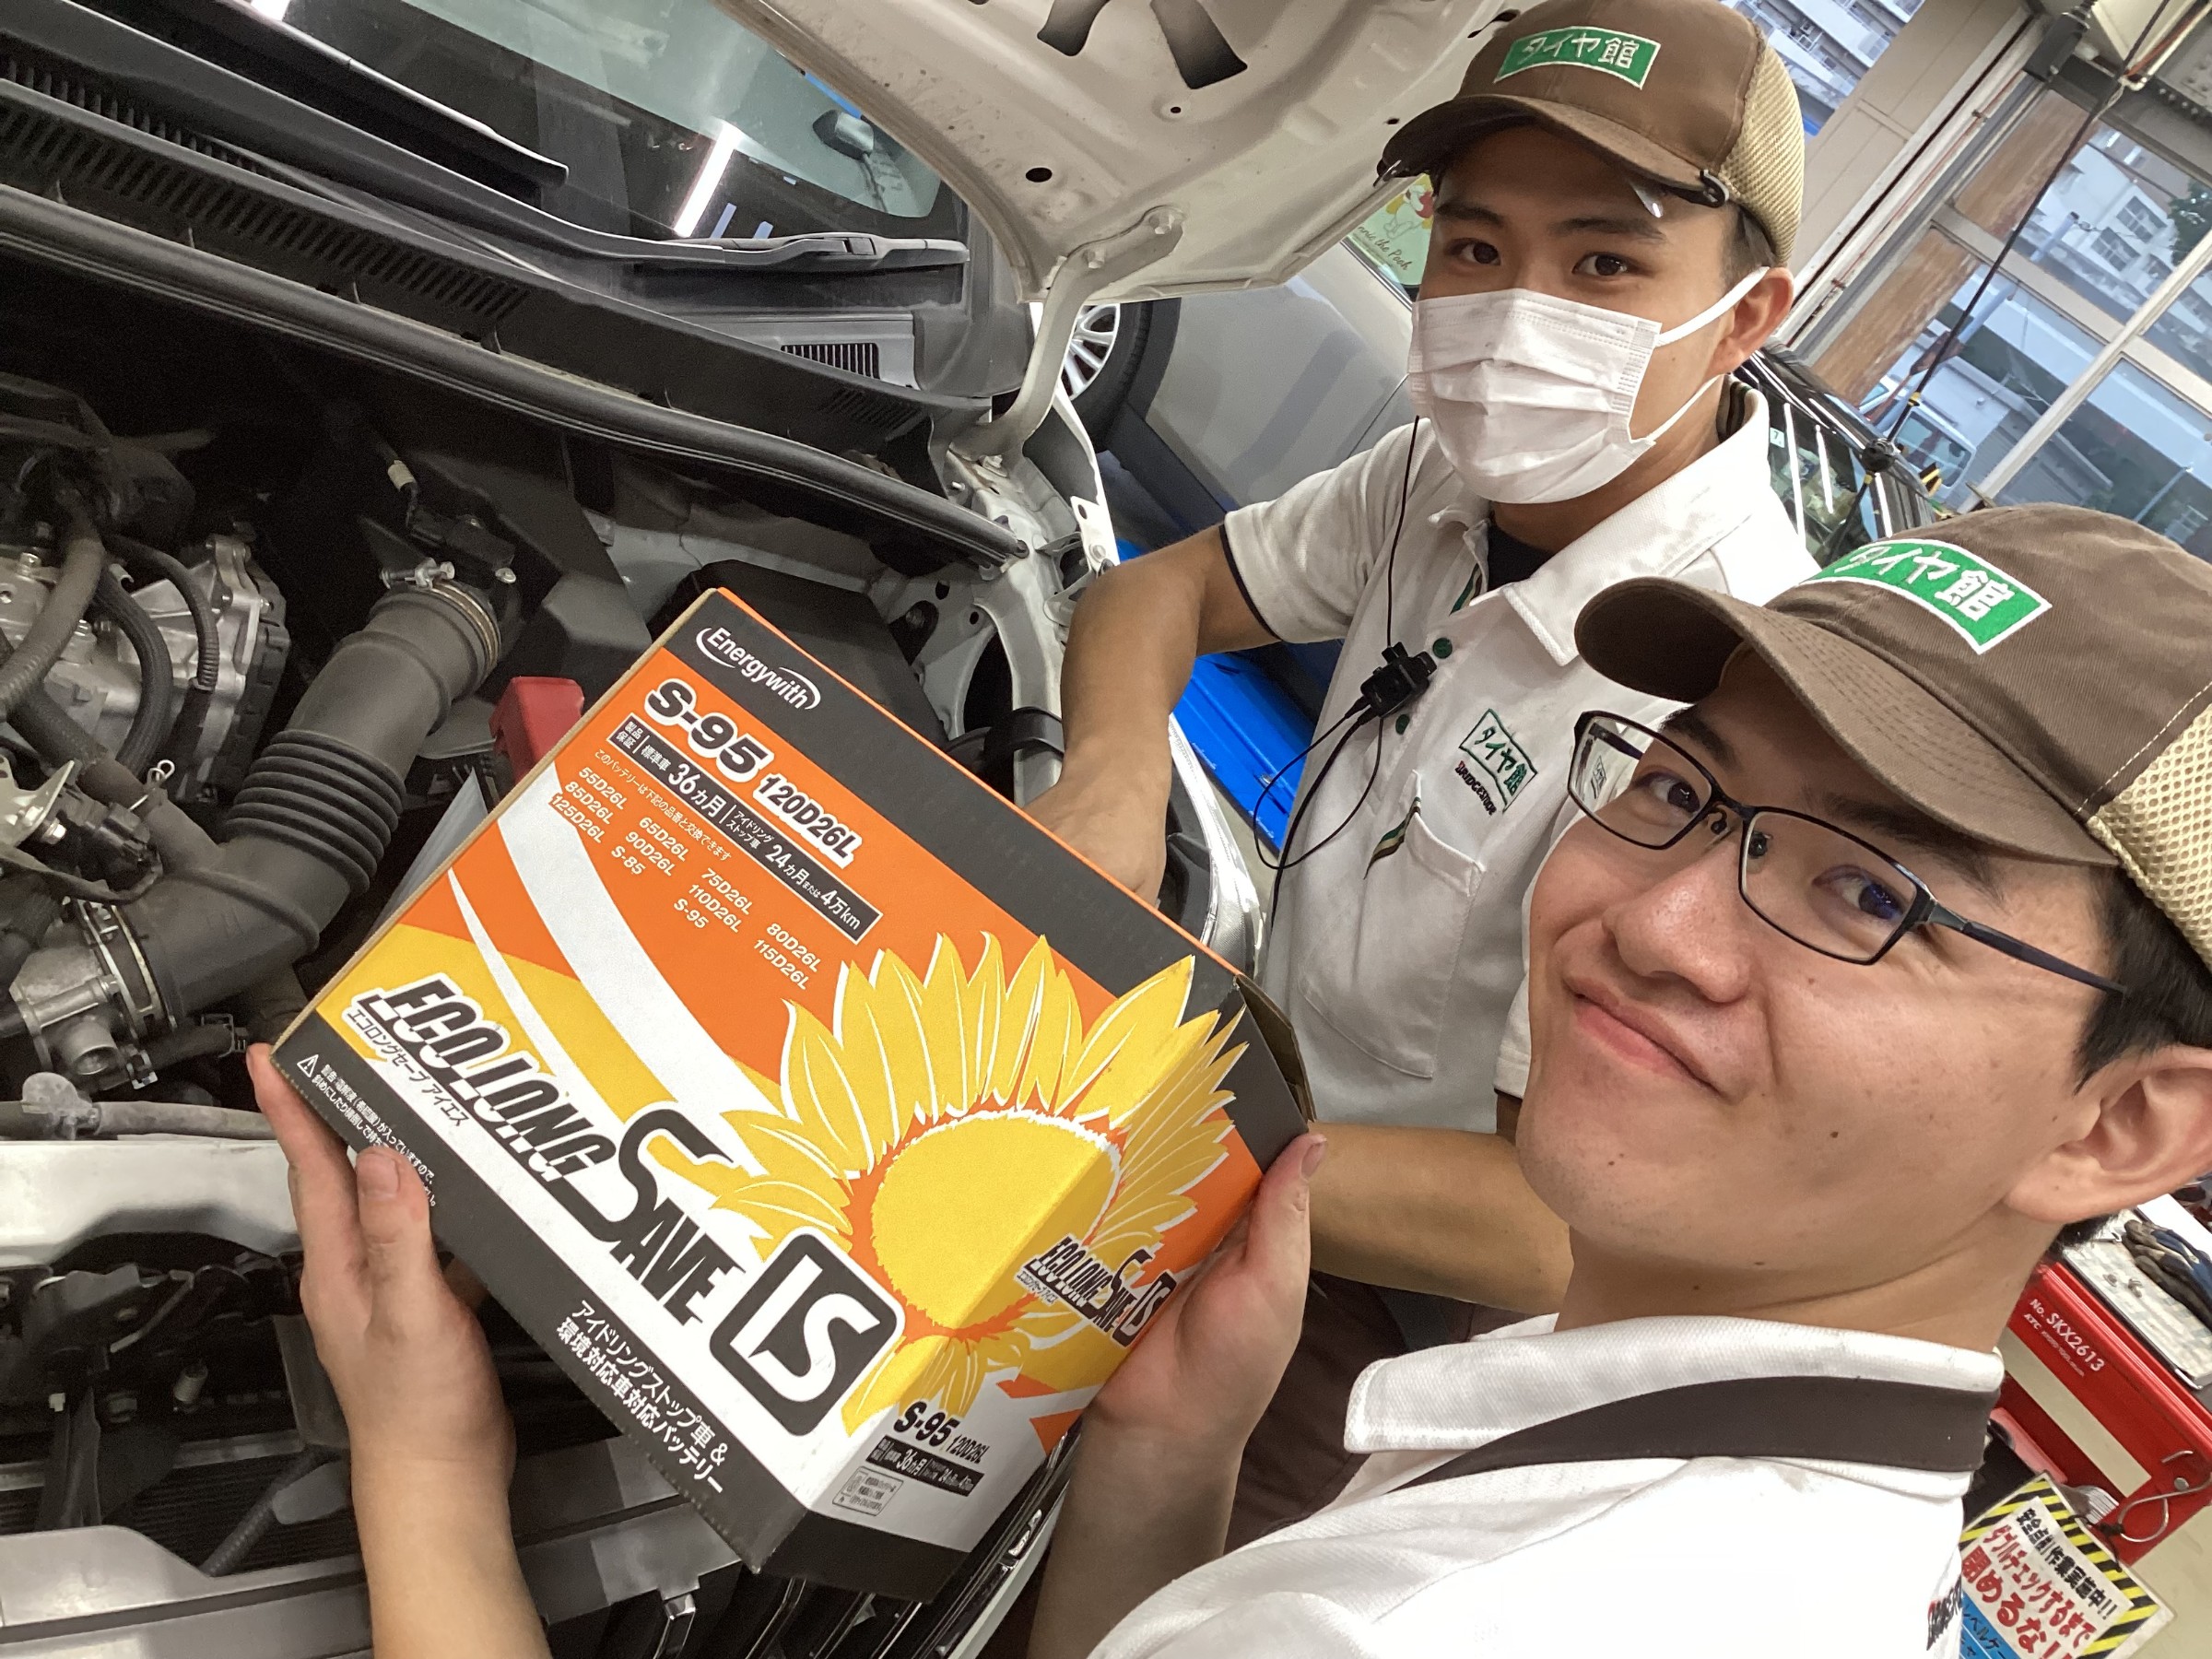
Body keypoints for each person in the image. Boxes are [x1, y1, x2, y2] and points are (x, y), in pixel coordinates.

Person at [253, 504, 2212, 1657]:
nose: (1658, 922)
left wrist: (426, 1462)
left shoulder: (1475, 1627)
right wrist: (1166, 1468)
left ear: (2121, 1123)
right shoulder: (1701, 1488)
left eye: (1869, 894)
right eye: (1682, 793)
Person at [1027, 0, 1818, 1534]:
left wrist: (1147, 1129)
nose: (1515, 311)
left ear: (1744, 318)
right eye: (1472, 245)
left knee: (1111, 1593)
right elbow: (1162, 590)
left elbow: (1551, 1227)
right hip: (1239, 1131)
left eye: (1604, 263)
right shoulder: (1435, 482)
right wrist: (1112, 782)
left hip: (1389, 1319)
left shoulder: (1734, 700)